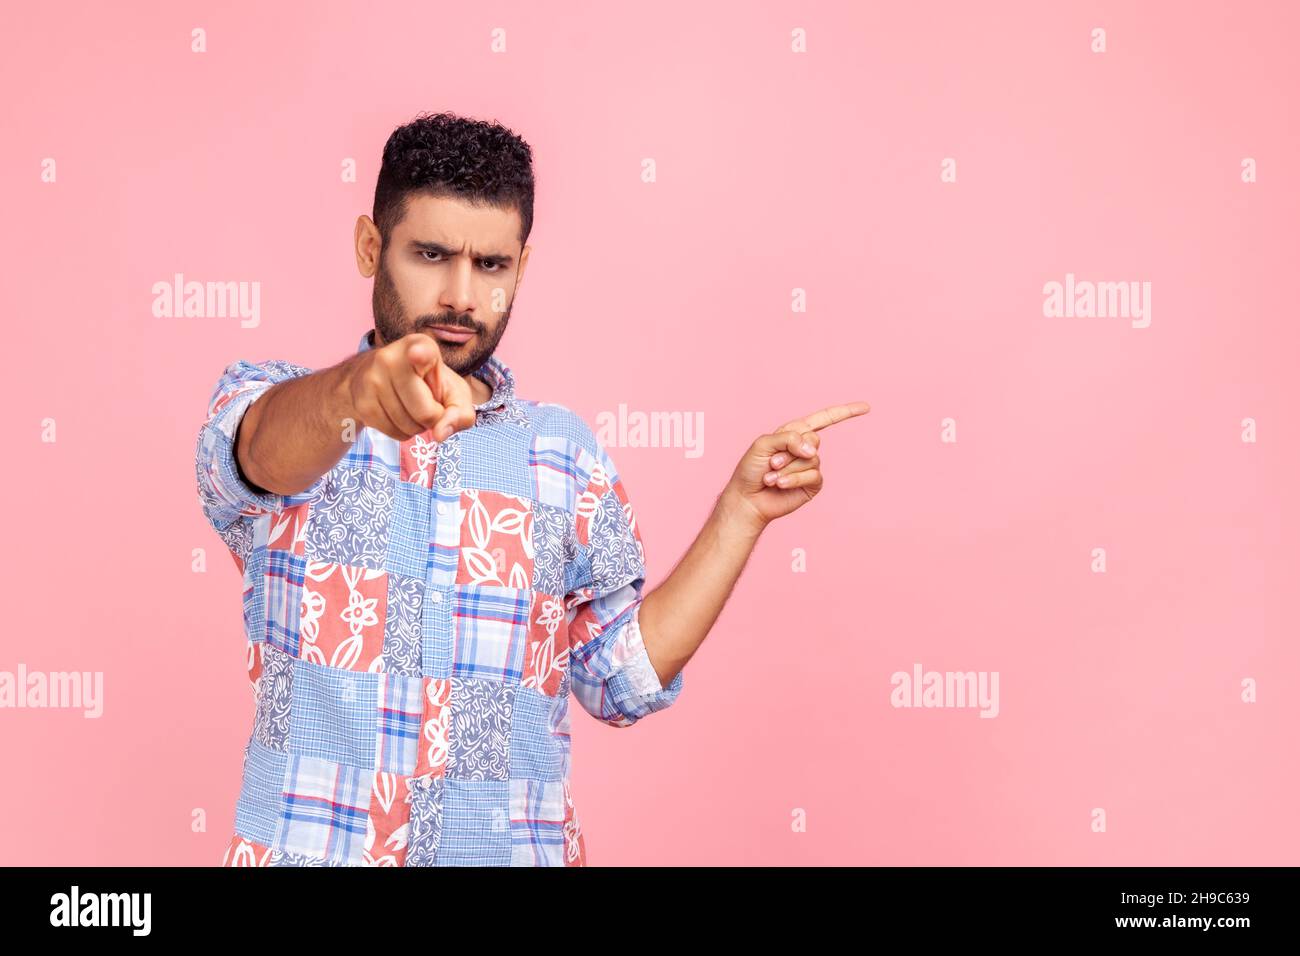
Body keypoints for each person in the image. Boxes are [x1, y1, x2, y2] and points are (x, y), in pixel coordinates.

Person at [195, 110, 869, 866]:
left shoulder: (563, 454)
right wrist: (358, 393)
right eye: (430, 254)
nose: (459, 295)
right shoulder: (282, 407)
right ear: (369, 248)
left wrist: (740, 514)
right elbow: (256, 455)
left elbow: (620, 680)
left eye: (491, 265)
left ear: (521, 266)